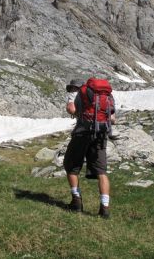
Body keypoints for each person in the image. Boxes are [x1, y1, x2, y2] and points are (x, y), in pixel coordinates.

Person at [63, 78, 115, 219]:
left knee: (71, 165)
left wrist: (81, 113)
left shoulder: (79, 94)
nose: (72, 90)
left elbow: (71, 109)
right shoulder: (106, 95)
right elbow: (113, 118)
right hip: (100, 134)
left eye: (72, 88)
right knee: (101, 172)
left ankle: (77, 202)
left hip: (82, 133)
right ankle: (104, 208)